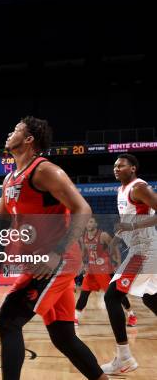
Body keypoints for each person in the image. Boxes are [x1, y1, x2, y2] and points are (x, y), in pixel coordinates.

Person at [0, 118, 106, 380]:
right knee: (64, 337)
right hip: (39, 264)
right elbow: (2, 217)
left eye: (16, 129)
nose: (9, 132)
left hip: (56, 263)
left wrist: (57, 254)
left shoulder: (45, 171)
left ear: (29, 140)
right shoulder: (9, 179)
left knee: (8, 321)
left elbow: (82, 209)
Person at [100, 154, 157, 375]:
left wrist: (132, 228)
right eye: (114, 165)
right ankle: (123, 358)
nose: (116, 168)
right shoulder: (120, 190)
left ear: (132, 168)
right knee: (151, 297)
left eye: (121, 165)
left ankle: (124, 358)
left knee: (112, 296)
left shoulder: (139, 187)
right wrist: (116, 237)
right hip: (138, 249)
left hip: (144, 251)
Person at [74, 217, 135, 326]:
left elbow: (115, 248)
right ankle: (75, 317)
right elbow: (84, 253)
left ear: (96, 224)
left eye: (91, 221)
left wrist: (119, 264)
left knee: (117, 295)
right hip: (92, 271)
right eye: (87, 221)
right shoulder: (83, 237)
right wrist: (82, 265)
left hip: (105, 270)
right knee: (83, 294)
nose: (88, 223)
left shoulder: (103, 235)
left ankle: (131, 315)